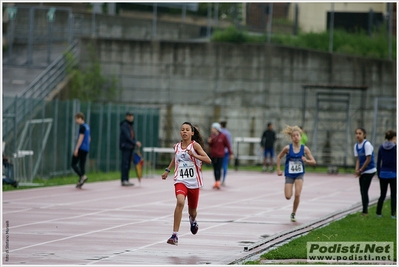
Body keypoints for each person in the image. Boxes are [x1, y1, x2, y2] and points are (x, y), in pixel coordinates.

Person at [161, 122, 211, 246]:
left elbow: (208, 160)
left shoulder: (196, 146)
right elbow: (176, 157)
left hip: (194, 183)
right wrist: (168, 170)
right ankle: (174, 235)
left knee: (192, 212)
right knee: (180, 201)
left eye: (187, 130)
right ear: (180, 132)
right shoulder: (177, 146)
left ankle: (192, 220)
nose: (184, 131)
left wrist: (194, 155)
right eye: (182, 129)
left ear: (192, 133)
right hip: (180, 180)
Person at [276, 125, 316, 222]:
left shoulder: (304, 149)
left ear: (301, 136)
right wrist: (278, 169)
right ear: (291, 137)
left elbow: (314, 161)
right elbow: (278, 157)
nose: (296, 137)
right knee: (288, 196)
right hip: (289, 174)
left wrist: (306, 160)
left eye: (297, 135)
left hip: (299, 173)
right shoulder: (287, 148)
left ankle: (293, 213)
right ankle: (288, 187)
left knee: (297, 194)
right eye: (294, 136)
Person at [354, 127, 377, 216]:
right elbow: (358, 159)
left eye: (360, 133)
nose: (358, 135)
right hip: (362, 171)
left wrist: (361, 169)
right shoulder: (356, 146)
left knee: (364, 190)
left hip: (369, 170)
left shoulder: (367, 145)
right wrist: (357, 170)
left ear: (364, 135)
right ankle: (364, 209)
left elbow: (368, 159)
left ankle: (365, 211)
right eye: (356, 133)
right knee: (362, 191)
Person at [376, 130, 396, 219]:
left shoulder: (381, 147)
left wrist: (379, 173)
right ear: (394, 137)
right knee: (393, 195)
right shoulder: (395, 148)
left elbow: (378, 161)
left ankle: (378, 213)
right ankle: (393, 214)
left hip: (383, 174)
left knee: (382, 194)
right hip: (393, 174)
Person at [207, 122, 234, 189]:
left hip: (220, 155)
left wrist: (231, 153)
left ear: (217, 129)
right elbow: (210, 145)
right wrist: (209, 142)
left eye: (213, 128)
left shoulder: (223, 136)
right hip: (213, 154)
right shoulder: (212, 136)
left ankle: (218, 181)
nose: (212, 129)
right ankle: (216, 181)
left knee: (218, 168)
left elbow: (227, 145)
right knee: (215, 168)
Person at [119, 112, 141, 186]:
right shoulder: (125, 125)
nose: (131, 117)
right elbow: (127, 137)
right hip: (125, 147)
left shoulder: (130, 125)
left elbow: (132, 136)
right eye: (129, 116)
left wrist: (135, 143)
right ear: (126, 117)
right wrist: (135, 143)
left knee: (128, 164)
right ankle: (124, 179)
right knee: (125, 164)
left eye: (132, 116)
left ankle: (126, 179)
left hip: (130, 147)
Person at [71, 112, 90, 188]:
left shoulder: (82, 127)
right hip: (86, 148)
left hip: (81, 148)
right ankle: (81, 181)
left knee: (73, 164)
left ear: (80, 118)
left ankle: (82, 176)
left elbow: (81, 138)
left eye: (76, 119)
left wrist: (76, 148)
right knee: (82, 164)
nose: (76, 121)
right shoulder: (87, 127)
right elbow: (89, 138)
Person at [220, 120, 232, 186]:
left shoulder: (220, 133)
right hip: (226, 151)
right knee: (225, 165)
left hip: (220, 151)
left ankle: (218, 180)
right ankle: (223, 179)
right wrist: (231, 152)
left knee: (219, 166)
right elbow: (229, 143)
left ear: (221, 125)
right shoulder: (228, 133)